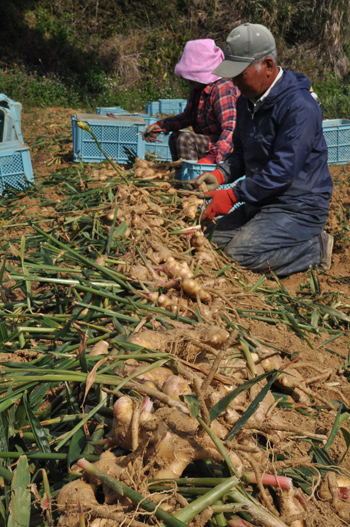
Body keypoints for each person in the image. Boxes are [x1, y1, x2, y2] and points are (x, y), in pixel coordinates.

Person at [189, 23, 333, 277]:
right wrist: (220, 175)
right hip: (261, 200)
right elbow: (241, 153)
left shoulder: (299, 108)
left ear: (267, 66)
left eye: (240, 73)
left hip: (298, 206)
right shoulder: (245, 102)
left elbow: (282, 171)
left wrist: (232, 196)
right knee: (209, 243)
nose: (234, 81)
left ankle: (315, 249)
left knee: (238, 257)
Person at [143, 39, 239, 165]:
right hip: (209, 143)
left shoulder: (222, 89)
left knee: (184, 140)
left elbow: (231, 130)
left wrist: (212, 157)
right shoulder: (198, 88)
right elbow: (188, 117)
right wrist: (162, 125)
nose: (188, 80)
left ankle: (192, 179)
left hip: (227, 149)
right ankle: (181, 177)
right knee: (175, 137)